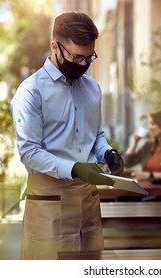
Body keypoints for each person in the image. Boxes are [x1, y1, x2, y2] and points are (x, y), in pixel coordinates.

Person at [10, 11, 124, 259]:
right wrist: (75, 168)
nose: (83, 64)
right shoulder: (31, 92)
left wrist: (107, 151)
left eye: (89, 58)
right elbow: (29, 153)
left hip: (87, 200)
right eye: (76, 57)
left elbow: (95, 135)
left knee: (91, 267)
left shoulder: (93, 89)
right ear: (55, 47)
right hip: (49, 200)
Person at [124, 109, 161, 182]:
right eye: (149, 124)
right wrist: (135, 142)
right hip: (147, 189)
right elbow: (127, 163)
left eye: (153, 124)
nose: (150, 127)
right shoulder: (149, 145)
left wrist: (150, 175)